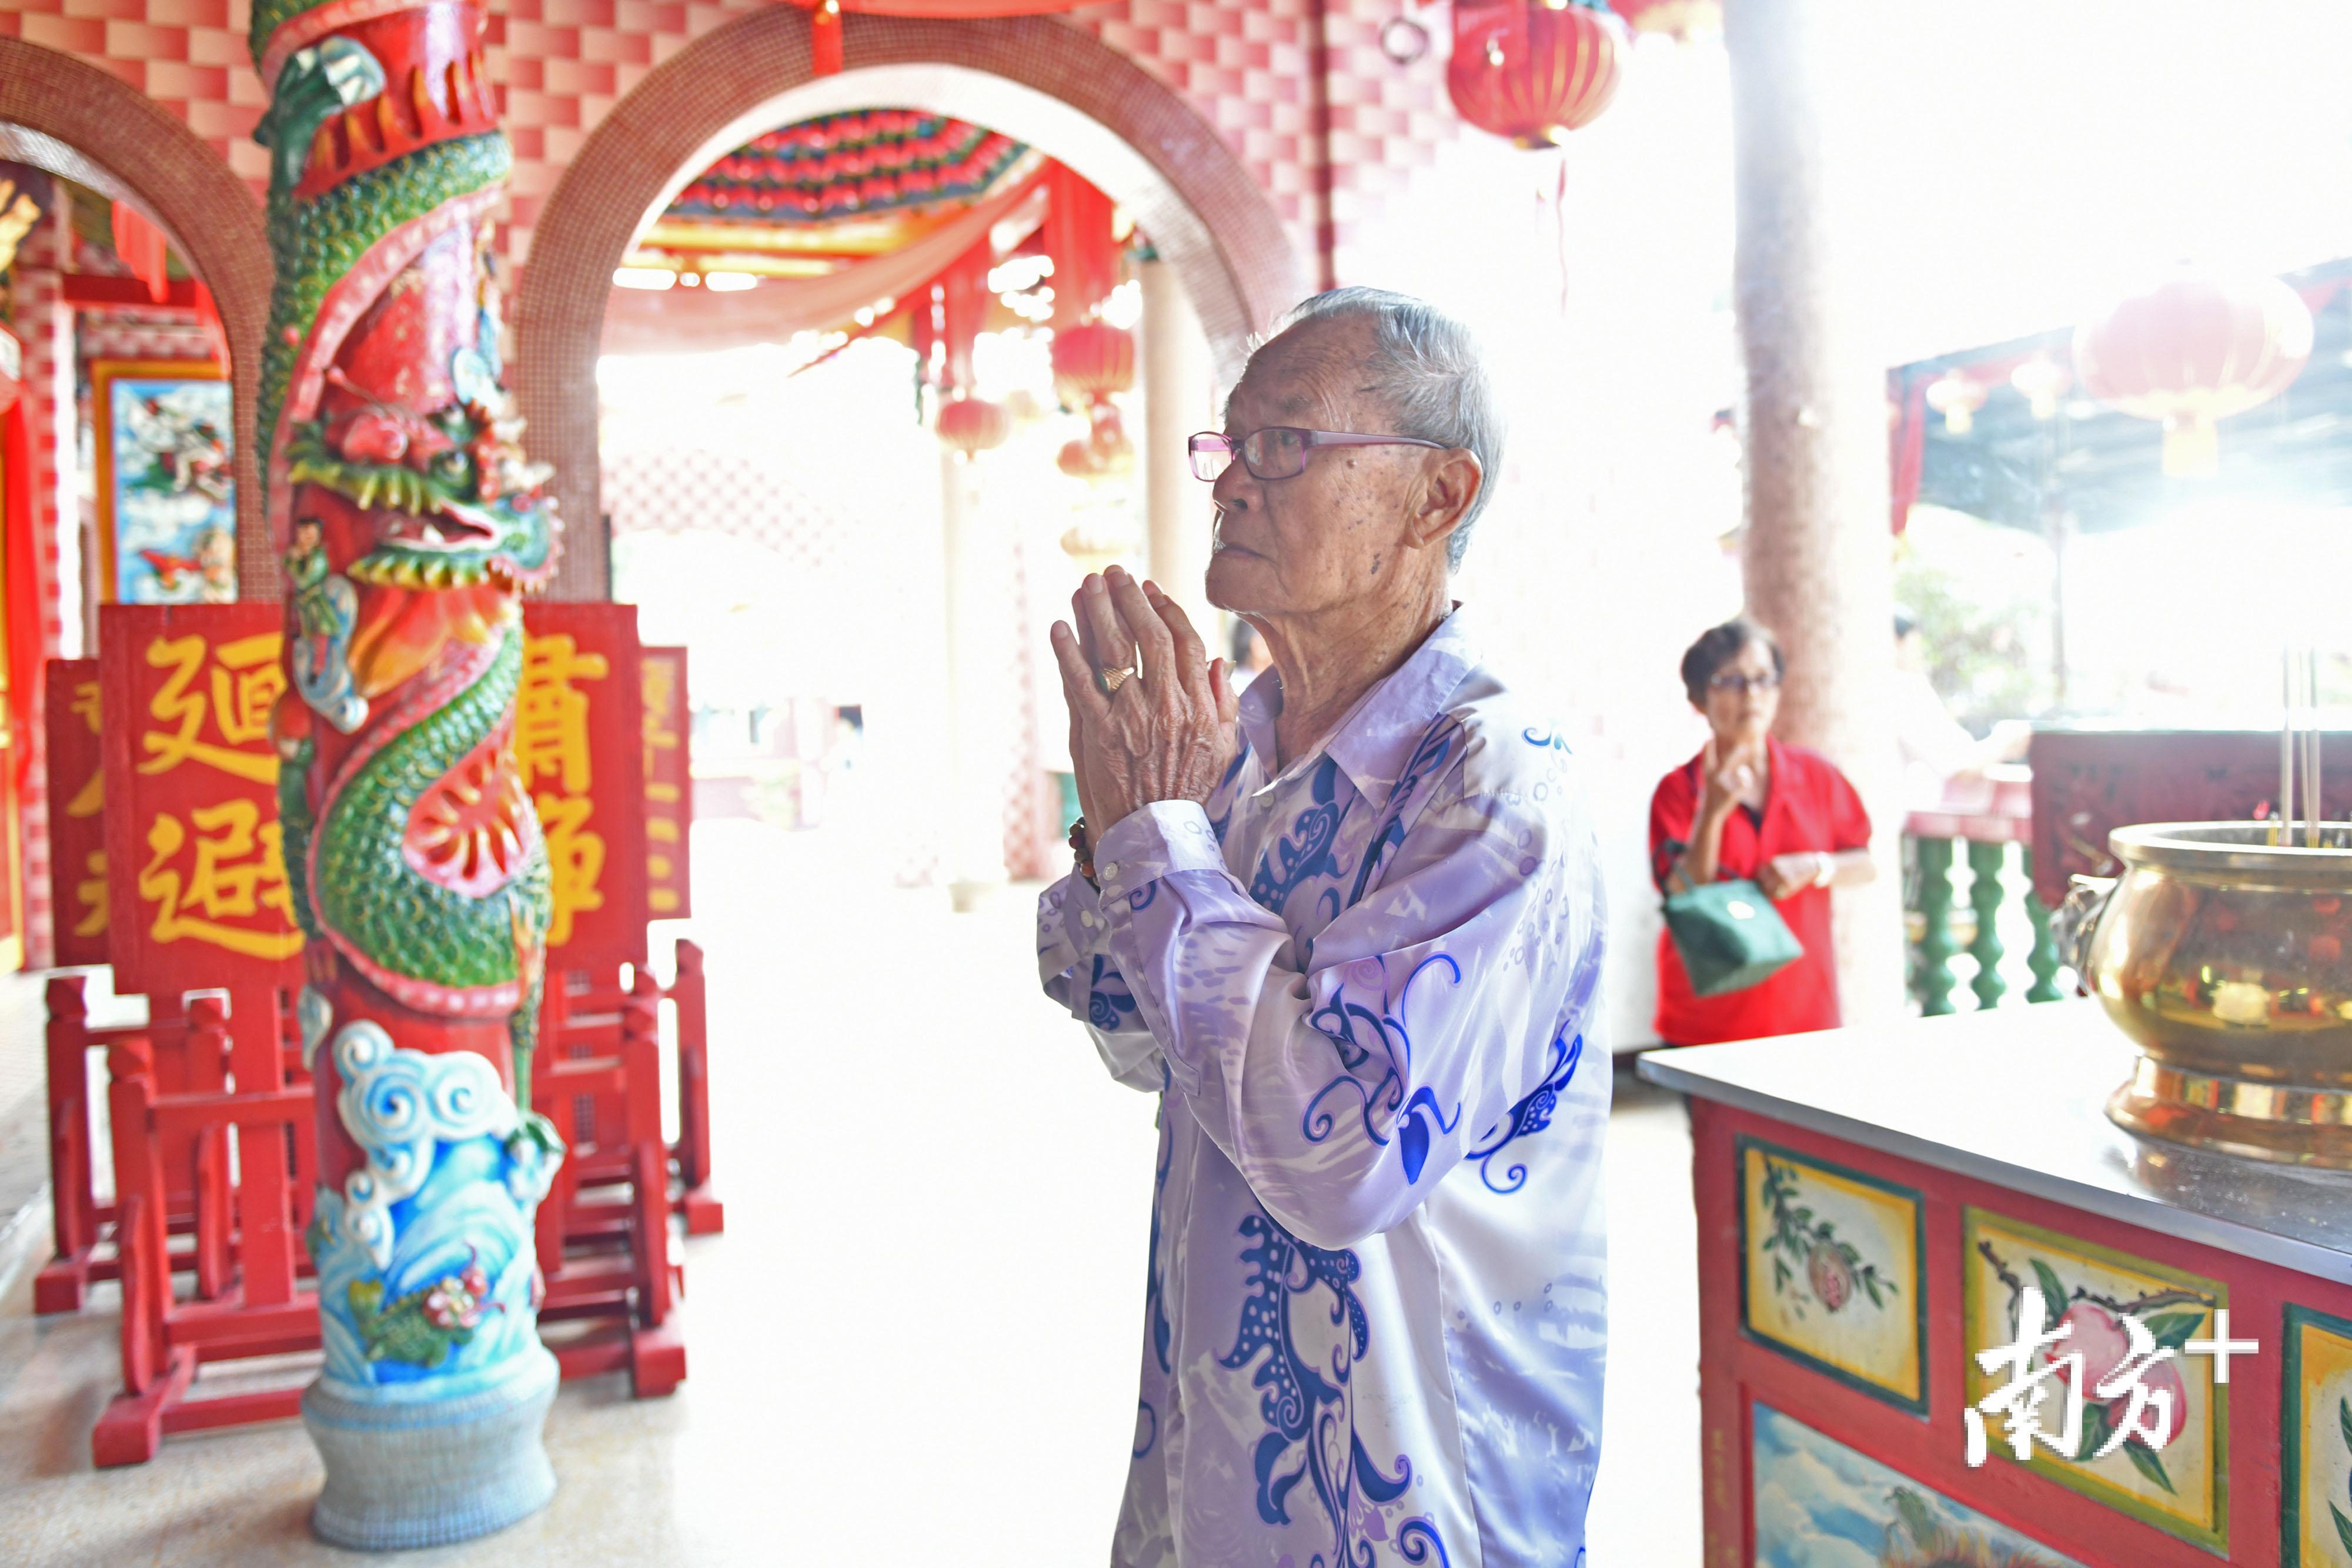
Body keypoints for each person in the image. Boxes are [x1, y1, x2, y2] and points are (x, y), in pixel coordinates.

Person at [1039, 287, 1609, 1567]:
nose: (1232, 484)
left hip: (1413, 1495)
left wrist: (1157, 843)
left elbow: (1345, 1156)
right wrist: (1120, 825)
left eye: (1285, 444)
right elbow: (1133, 1032)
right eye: (1230, 444)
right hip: (1211, 1447)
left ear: (1434, 497)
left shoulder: (1494, 782)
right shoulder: (1232, 749)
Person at [1649, 618, 1875, 1046]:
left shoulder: (1816, 775)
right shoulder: (1677, 791)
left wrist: (1816, 866)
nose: (1751, 694)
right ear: (1699, 699)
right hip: (1709, 1019)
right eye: (1731, 681)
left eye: (1763, 679)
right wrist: (1712, 812)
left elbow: (1864, 864)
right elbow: (1680, 892)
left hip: (1804, 1011)